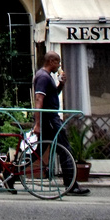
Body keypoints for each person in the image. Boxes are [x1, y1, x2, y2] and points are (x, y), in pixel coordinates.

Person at [31, 51, 90, 196]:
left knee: (39, 150)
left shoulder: (45, 76)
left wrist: (61, 85)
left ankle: (11, 176)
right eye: (58, 62)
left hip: (49, 119)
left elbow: (51, 96)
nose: (59, 65)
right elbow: (39, 100)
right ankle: (71, 185)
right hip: (50, 119)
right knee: (65, 149)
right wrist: (37, 124)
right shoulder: (43, 77)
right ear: (51, 61)